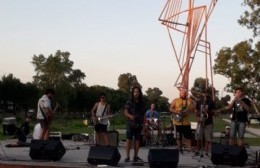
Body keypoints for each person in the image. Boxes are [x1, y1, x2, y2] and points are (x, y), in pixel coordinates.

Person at [124, 86, 146, 162]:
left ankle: (136, 156)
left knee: (137, 140)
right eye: (135, 92)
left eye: (137, 92)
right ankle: (127, 157)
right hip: (130, 123)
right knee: (129, 139)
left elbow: (144, 115)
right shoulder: (129, 102)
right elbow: (125, 112)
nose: (136, 93)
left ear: (140, 93)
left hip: (139, 124)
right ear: (133, 93)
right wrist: (130, 116)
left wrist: (144, 125)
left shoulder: (142, 103)